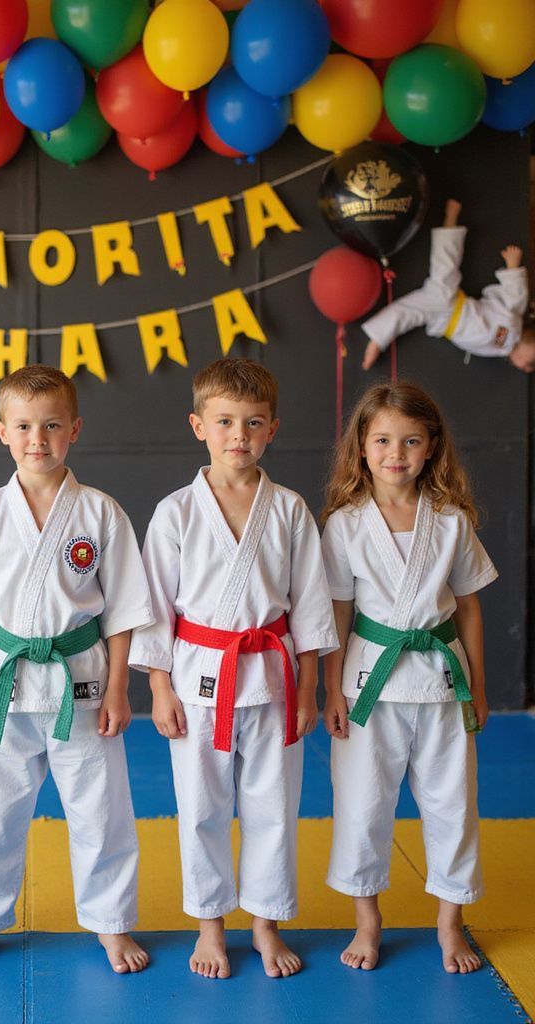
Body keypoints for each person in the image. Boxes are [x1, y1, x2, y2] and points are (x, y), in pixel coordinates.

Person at [0, 365, 154, 974]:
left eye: (52, 425)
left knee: (100, 809)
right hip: (3, 683)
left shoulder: (101, 512)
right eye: (25, 426)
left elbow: (124, 610)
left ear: (74, 430)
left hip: (80, 683)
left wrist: (119, 688)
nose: (38, 438)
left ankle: (111, 924)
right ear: (2, 431)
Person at [130, 358, 337, 981]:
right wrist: (158, 688)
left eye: (252, 423)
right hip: (198, 680)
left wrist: (308, 688)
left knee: (275, 806)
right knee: (201, 808)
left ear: (273, 428)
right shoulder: (176, 512)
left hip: (273, 680)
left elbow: (312, 604)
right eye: (224, 422)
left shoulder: (291, 509)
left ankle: (267, 924)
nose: (238, 435)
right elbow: (154, 607)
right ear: (199, 425)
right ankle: (211, 926)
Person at [320, 381, 496, 974]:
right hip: (370, 684)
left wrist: (479, 685)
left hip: (444, 682)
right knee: (363, 805)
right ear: (362, 449)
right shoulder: (344, 524)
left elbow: (468, 604)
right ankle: (368, 921)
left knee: (454, 804)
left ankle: (451, 923)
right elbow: (338, 612)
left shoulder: (449, 520)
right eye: (384, 440)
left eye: (411, 441)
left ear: (431, 449)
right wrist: (331, 689)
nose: (397, 453)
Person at [361, 199, 535, 373]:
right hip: (453, 304)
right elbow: (515, 294)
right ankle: (451, 219)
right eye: (530, 362)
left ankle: (377, 340)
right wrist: (513, 266)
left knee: (411, 306)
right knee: (443, 268)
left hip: (444, 322)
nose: (526, 368)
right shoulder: (514, 319)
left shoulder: (501, 349)